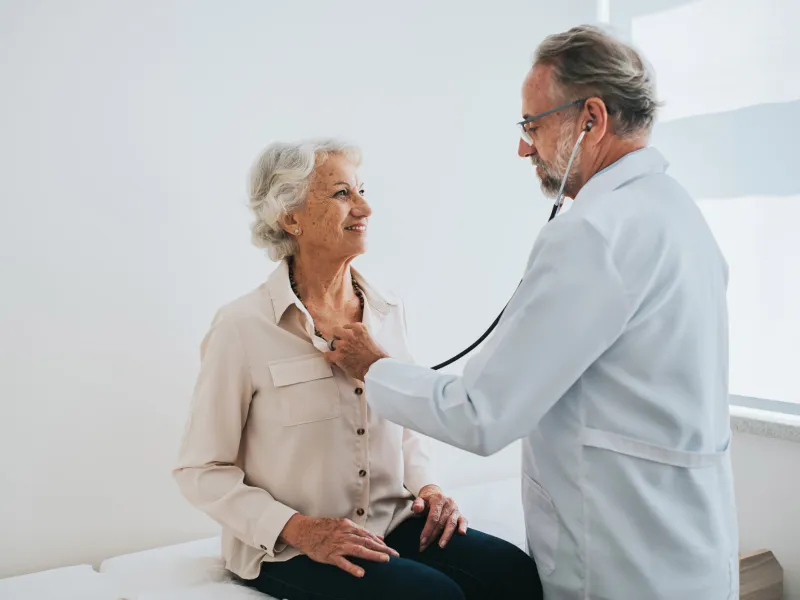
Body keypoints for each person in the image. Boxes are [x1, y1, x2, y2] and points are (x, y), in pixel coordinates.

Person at [325, 25, 739, 600]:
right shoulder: (677, 213)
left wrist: (374, 367)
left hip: (620, 559)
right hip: (688, 547)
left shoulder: (592, 234)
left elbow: (480, 414)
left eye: (532, 125)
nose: (524, 147)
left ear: (590, 118)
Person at [172, 139, 542, 600]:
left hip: (393, 522)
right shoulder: (242, 327)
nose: (364, 206)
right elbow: (200, 468)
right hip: (292, 546)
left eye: (361, 190)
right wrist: (298, 528)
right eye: (342, 194)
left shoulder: (387, 311)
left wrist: (428, 488)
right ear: (292, 218)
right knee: (431, 597)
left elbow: (406, 425)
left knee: (513, 574)